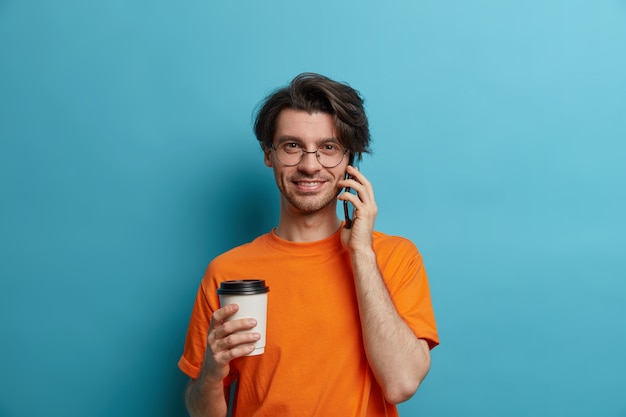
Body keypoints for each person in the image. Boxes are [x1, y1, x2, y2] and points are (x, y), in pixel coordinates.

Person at [178, 73, 439, 417]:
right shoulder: (227, 273)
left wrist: (360, 252)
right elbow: (201, 412)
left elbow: (400, 383)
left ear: (350, 158)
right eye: (292, 146)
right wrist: (211, 373)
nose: (309, 165)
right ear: (269, 154)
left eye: (328, 148)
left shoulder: (394, 258)